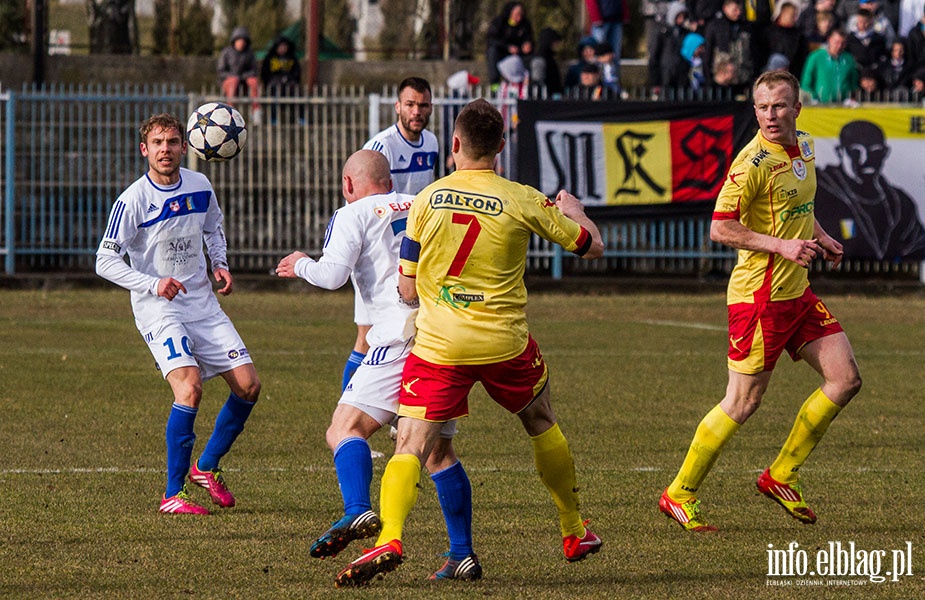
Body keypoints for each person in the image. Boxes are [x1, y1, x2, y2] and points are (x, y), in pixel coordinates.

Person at [334, 98, 605, 587]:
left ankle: (389, 537)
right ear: (501, 148)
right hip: (505, 343)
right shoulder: (523, 197)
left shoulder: (427, 200)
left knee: (412, 445)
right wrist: (577, 212)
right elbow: (590, 246)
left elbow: (408, 288)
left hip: (441, 347)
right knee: (541, 421)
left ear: (454, 145)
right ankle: (573, 528)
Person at [659, 70, 862, 533]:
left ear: (797, 109)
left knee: (845, 379)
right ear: (755, 110)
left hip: (798, 294)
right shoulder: (750, 164)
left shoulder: (805, 146)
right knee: (742, 402)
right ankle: (679, 493)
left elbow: (798, 211)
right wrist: (782, 246)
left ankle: (781, 474)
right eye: (763, 107)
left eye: (780, 105)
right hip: (760, 297)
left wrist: (823, 237)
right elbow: (720, 227)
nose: (771, 115)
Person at [275, 150, 480, 581]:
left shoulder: (351, 213)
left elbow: (332, 275)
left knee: (344, 428)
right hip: (444, 337)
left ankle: (357, 512)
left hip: (398, 335)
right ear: (389, 181)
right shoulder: (424, 201)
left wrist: (300, 264)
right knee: (439, 453)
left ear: (349, 184)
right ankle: (462, 554)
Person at [95, 114, 261, 515]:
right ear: (145, 150)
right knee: (189, 389)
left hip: (202, 302)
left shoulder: (200, 185)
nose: (165, 149)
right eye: (157, 143)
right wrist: (153, 284)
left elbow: (213, 227)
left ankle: (205, 468)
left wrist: (219, 263)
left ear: (185, 146)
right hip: (159, 307)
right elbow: (104, 260)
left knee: (249, 386)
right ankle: (172, 494)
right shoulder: (132, 200)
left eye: (172, 142)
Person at [349, 77, 439, 389]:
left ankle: (400, 409)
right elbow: (358, 200)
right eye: (411, 104)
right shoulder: (381, 147)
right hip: (378, 253)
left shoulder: (432, 143)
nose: (417, 111)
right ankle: (348, 410)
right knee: (368, 336)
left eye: (423, 105)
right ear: (397, 107)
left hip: (413, 250)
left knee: (412, 332)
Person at [815, 120, 925, 260]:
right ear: (840, 151)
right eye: (856, 152)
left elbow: (916, 246)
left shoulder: (899, 203)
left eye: (875, 151)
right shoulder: (820, 188)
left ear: (885, 153)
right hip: (827, 276)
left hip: (892, 278)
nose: (866, 159)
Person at [703, 0, 755, 93]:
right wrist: (709, 78)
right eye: (735, 10)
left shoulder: (747, 27)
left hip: (743, 79)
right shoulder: (714, 26)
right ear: (725, 9)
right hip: (721, 80)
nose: (738, 13)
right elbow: (707, 53)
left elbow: (753, 52)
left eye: (740, 9)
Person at [800, 28, 860, 102]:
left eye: (843, 43)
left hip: (843, 103)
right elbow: (806, 81)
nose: (839, 46)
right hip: (820, 103)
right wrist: (812, 97)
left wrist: (852, 97)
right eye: (836, 42)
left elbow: (853, 82)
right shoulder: (815, 57)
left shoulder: (849, 59)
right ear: (829, 40)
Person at [648, 2, 695, 95]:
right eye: (679, 16)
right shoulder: (662, 33)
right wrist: (655, 82)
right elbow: (654, 57)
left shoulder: (685, 33)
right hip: (666, 74)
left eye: (683, 17)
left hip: (682, 75)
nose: (681, 20)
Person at [217, 27, 261, 123]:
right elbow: (221, 71)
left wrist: (243, 77)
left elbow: (254, 70)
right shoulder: (226, 52)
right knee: (233, 81)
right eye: (239, 40)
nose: (241, 43)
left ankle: (256, 111)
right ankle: (230, 112)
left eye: (243, 41)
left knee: (253, 81)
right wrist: (233, 76)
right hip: (230, 82)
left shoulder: (249, 53)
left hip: (244, 82)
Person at [486, 2, 535, 86]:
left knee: (534, 58)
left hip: (519, 54)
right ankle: (494, 86)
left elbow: (529, 39)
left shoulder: (525, 24)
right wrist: (507, 47)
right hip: (501, 52)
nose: (518, 18)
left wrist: (528, 45)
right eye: (516, 14)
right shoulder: (499, 22)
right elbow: (491, 40)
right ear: (510, 12)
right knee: (492, 52)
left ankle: (529, 85)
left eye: (521, 15)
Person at [585, 0, 630, 83]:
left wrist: (625, 14)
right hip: (600, 21)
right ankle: (596, 84)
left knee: (614, 55)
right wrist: (595, 17)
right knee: (597, 55)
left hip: (616, 19)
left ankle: (613, 86)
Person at [530, 27, 565, 97]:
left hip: (551, 97)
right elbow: (538, 83)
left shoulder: (549, 58)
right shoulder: (540, 59)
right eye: (555, 42)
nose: (557, 45)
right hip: (545, 99)